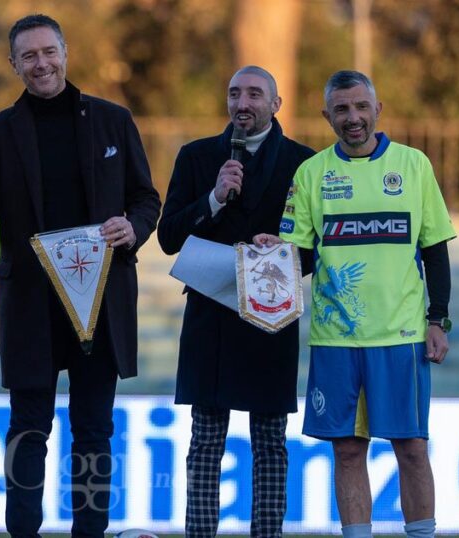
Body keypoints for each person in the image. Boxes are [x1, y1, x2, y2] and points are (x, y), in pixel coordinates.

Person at [0, 14, 161, 538]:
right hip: (31, 307)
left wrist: (130, 227)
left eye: (49, 51)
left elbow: (146, 199)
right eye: (29, 56)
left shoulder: (114, 119)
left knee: (93, 432)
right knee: (27, 430)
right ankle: (23, 532)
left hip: (101, 302)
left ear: (65, 52)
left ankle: (90, 533)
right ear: (13, 64)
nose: (41, 63)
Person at [255, 70, 455, 538]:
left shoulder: (413, 165)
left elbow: (435, 249)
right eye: (341, 109)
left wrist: (437, 318)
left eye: (361, 107)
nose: (353, 118)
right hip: (335, 339)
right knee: (346, 450)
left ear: (378, 110)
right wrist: (274, 254)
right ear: (327, 116)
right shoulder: (311, 174)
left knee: (410, 447)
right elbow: (300, 254)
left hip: (400, 336)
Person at [156, 65, 315, 537]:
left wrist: (284, 254)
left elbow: (318, 248)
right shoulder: (197, 156)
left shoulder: (304, 164)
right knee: (205, 441)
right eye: (234, 94)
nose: (242, 103)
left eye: (254, 94)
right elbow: (167, 238)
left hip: (271, 316)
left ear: (275, 104)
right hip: (210, 317)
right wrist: (212, 200)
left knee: (270, 442)